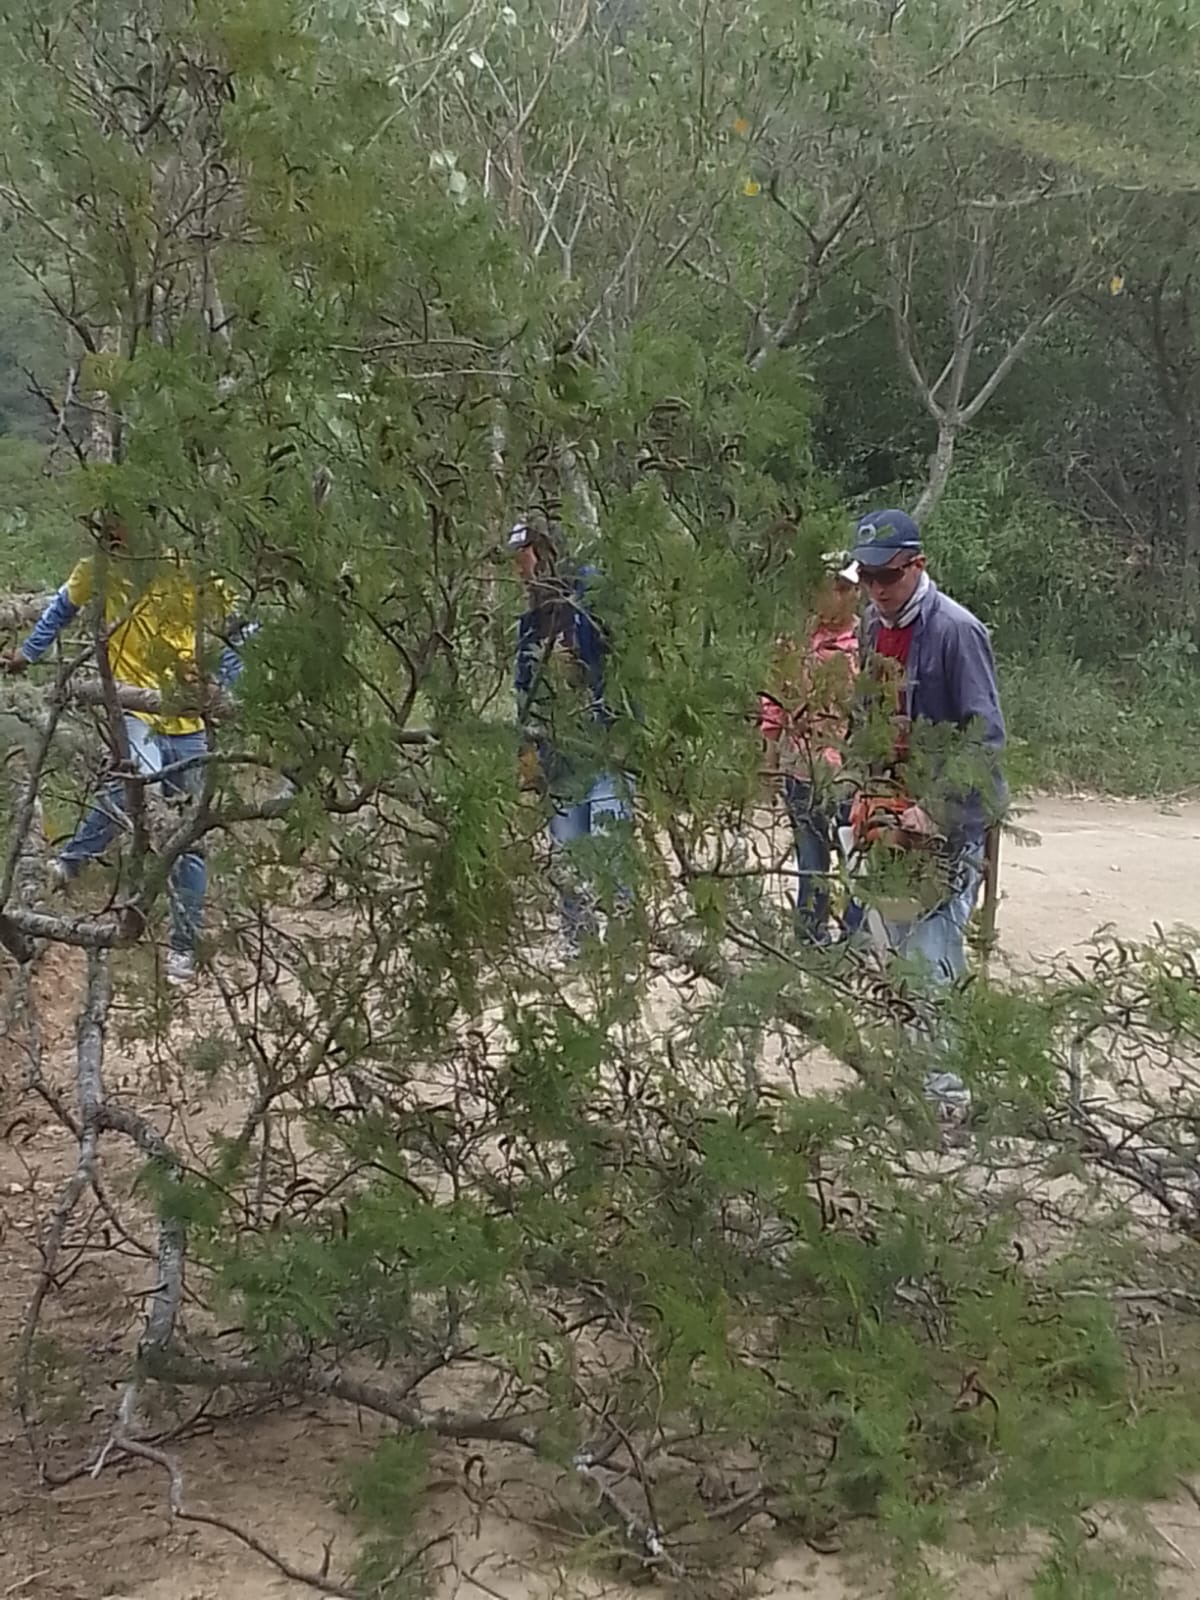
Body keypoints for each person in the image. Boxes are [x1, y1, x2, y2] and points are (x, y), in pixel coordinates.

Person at [0, 521, 245, 986]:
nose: (114, 536)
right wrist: (27, 655)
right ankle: (72, 864)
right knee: (135, 785)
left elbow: (242, 624)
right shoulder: (97, 569)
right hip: (131, 707)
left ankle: (182, 948)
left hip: (188, 720)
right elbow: (61, 608)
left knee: (189, 839)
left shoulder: (186, 569)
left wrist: (222, 683)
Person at [846, 507, 1006, 1117]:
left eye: (887, 576)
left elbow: (985, 737)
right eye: (866, 577)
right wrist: (861, 786)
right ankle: (911, 1078)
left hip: (949, 822)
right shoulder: (870, 625)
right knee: (892, 954)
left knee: (932, 954)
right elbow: (867, 719)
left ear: (917, 565)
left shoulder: (957, 631)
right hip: (888, 816)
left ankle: (947, 1097)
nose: (876, 589)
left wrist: (933, 809)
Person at [511, 518, 633, 956]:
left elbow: (623, 658)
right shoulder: (531, 624)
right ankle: (580, 943)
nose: (519, 569)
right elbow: (524, 689)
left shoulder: (589, 596)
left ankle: (623, 939)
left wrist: (625, 725)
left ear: (544, 552)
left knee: (609, 842)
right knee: (567, 850)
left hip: (604, 746)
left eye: (523, 557)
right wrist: (526, 749)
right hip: (559, 756)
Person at [759, 554, 860, 941]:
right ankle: (810, 937)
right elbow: (774, 702)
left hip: (848, 771)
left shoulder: (865, 642)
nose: (842, 595)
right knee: (811, 859)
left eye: (848, 588)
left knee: (854, 856)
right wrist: (769, 758)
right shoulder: (795, 642)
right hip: (802, 766)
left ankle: (856, 938)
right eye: (834, 587)